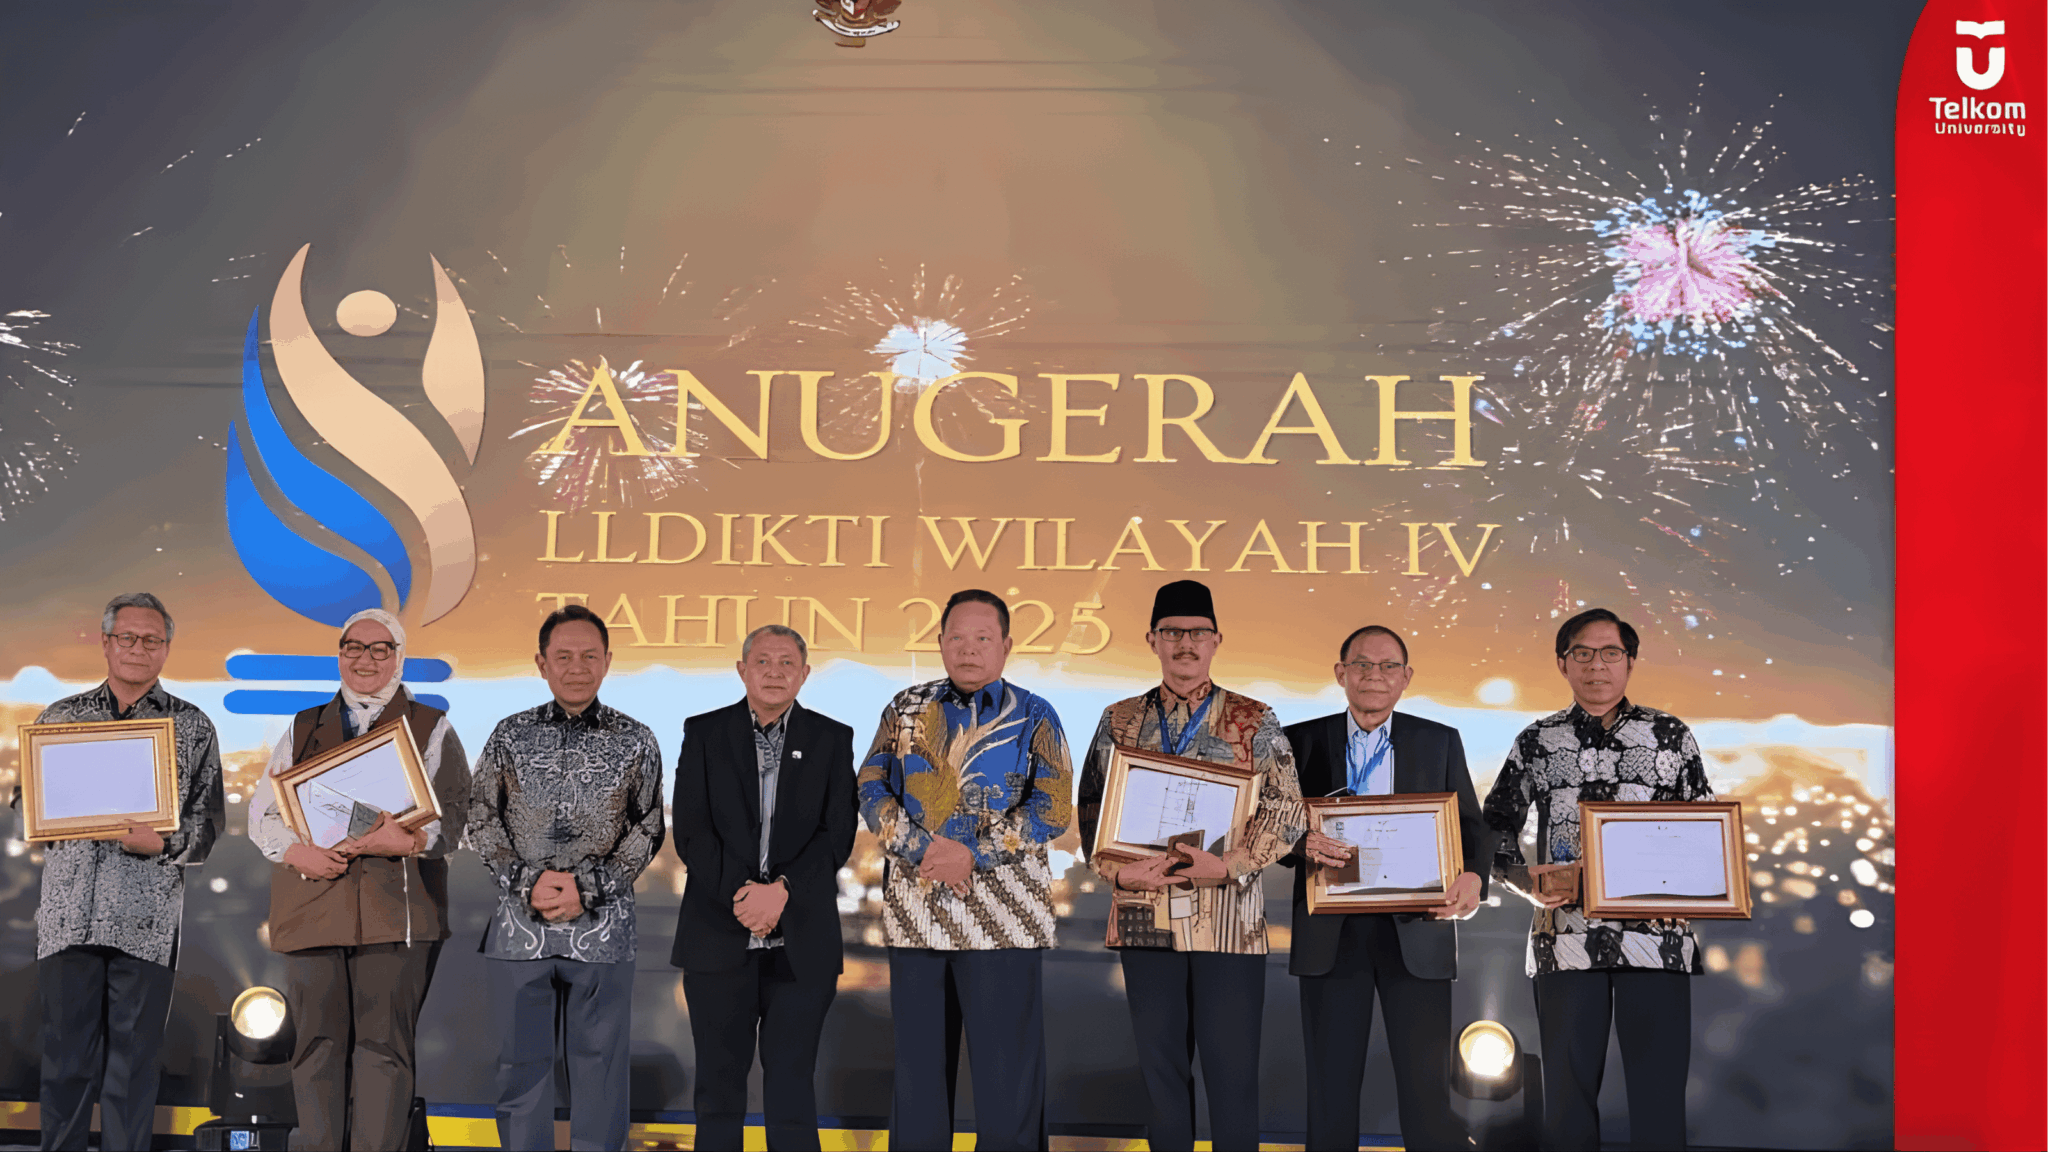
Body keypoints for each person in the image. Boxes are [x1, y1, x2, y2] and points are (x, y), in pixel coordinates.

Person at [1076, 580, 1306, 1152]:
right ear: (1153, 639)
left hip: (1229, 920)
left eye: (1197, 632)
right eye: (1173, 632)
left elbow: (1287, 810)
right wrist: (1116, 871)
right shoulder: (1119, 719)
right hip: (1143, 915)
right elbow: (1091, 807)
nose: (1186, 643)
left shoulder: (1256, 720)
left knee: (1232, 1078)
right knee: (1160, 1078)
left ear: (1216, 640)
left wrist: (1228, 865)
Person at [1481, 608, 1714, 1151]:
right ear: (1563, 664)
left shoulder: (1670, 735)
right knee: (1566, 1096)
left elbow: (1705, 827)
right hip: (1565, 937)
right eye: (1582, 654)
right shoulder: (1537, 740)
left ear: (1630, 662)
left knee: (1658, 1096)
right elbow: (1495, 824)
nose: (1597, 666)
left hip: (1657, 937)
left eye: (1610, 653)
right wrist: (1521, 878)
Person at [246, 607, 471, 1151]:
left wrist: (412, 841)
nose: (365, 659)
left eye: (380, 648)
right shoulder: (302, 726)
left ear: (398, 657)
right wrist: (298, 851)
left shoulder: (430, 726)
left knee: (384, 1052)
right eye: (354, 647)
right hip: (314, 904)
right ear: (339, 654)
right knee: (316, 1048)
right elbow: (263, 813)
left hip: (398, 913)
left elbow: (460, 815)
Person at [858, 589, 1073, 1152]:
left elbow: (1053, 806)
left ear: (1005, 645)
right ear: (940, 643)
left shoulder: (1036, 713)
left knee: (1008, 1083)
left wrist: (971, 852)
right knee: (918, 1079)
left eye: (983, 639)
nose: (969, 649)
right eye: (957, 637)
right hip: (917, 911)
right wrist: (918, 848)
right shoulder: (904, 708)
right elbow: (871, 785)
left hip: (1005, 920)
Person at [19, 592, 225, 1152]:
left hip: (147, 922)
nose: (139, 648)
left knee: (133, 1069)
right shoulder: (58, 719)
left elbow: (208, 824)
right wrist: (40, 802)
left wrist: (161, 841)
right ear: (106, 642)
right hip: (68, 918)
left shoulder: (192, 725)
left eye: (151, 639)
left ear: (166, 648)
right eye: (127, 638)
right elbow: (29, 806)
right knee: (64, 1063)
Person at [1282, 625, 1491, 1152]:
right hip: (1332, 932)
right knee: (1329, 1091)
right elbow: (1274, 832)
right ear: (1341, 673)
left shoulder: (1438, 739)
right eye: (1362, 665)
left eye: (1388, 666)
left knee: (1426, 1096)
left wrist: (1475, 876)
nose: (1375, 676)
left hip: (1417, 931)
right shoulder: (1300, 740)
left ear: (1406, 678)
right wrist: (1300, 844)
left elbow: (1471, 828)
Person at [466, 604, 666, 1152]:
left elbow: (648, 827)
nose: (576, 668)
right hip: (519, 928)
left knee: (601, 1074)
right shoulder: (509, 734)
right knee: (519, 1071)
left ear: (606, 662)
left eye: (589, 656)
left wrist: (588, 888)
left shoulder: (637, 739)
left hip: (601, 931)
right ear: (541, 662)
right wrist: (525, 881)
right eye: (563, 657)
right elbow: (481, 818)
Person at [672, 625, 857, 1151]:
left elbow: (836, 835)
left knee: (793, 1089)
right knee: (717, 1090)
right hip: (716, 935)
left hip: (802, 942)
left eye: (786, 663)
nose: (774, 672)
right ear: (742, 670)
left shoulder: (831, 738)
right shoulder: (704, 733)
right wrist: (745, 895)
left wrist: (782, 891)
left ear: (804, 673)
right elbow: (691, 830)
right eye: (763, 661)